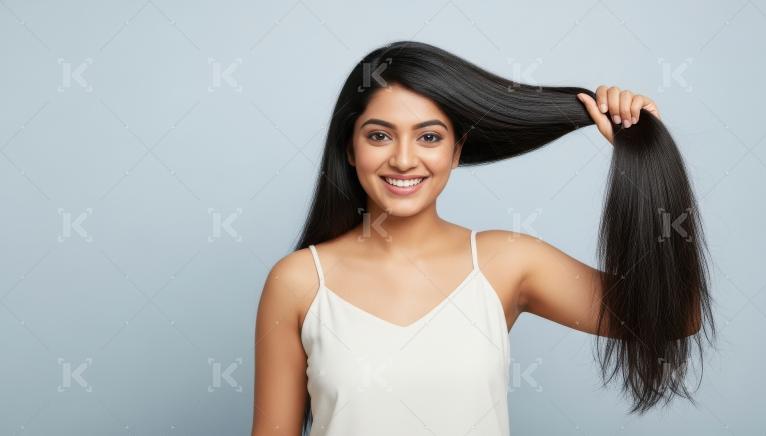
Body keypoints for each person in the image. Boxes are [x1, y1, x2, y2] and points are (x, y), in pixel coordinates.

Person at [252, 41, 716, 436]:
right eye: (379, 136)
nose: (404, 159)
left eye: (429, 137)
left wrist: (643, 158)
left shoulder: (506, 262)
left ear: (456, 150)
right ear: (350, 149)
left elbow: (679, 316)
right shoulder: (298, 282)